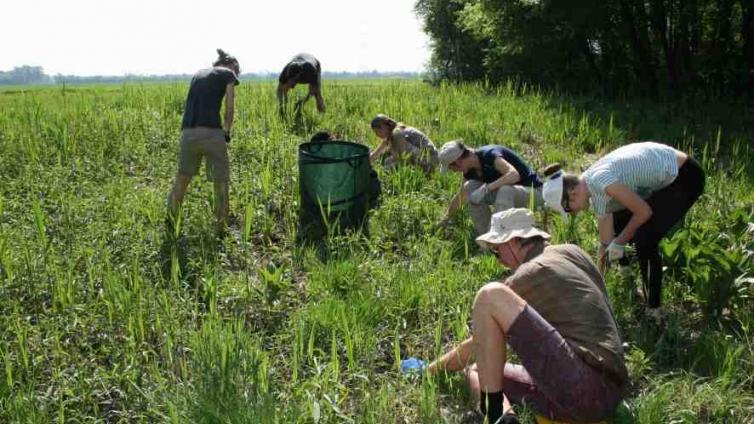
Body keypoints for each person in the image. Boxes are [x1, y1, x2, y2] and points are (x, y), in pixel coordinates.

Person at [403, 209, 629, 424]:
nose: (498, 259)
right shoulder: (571, 252)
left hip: (584, 392)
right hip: (613, 390)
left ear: (512, 242)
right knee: (477, 371)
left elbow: (478, 345)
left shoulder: (531, 273)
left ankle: (494, 416)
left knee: (490, 295)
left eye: (496, 250)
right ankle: (506, 418)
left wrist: (431, 369)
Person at [541, 142, 705, 321]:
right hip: (665, 178)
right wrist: (597, 284)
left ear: (572, 194)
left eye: (570, 210)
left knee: (645, 237)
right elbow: (605, 242)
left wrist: (620, 242)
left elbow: (644, 212)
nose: (575, 213)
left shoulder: (600, 180)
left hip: (685, 176)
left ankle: (654, 310)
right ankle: (626, 271)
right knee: (619, 223)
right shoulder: (592, 187)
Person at [167, 49, 240, 234]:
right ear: (231, 66)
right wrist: (227, 131)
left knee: (182, 180)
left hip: (188, 134)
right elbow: (229, 108)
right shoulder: (228, 74)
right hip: (212, 134)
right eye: (237, 70)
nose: (237, 75)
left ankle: (171, 224)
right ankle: (220, 230)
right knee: (220, 183)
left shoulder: (198, 74)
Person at [437, 141, 544, 235]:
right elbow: (461, 195)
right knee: (469, 188)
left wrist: (486, 189)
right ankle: (486, 237)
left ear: (458, 162)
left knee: (505, 190)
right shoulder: (469, 172)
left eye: (452, 168)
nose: (454, 171)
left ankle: (496, 235)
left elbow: (514, 175)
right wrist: (446, 218)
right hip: (509, 197)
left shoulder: (489, 154)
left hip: (534, 193)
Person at [368, 114, 439, 173]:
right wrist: (369, 160)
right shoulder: (392, 132)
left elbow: (402, 157)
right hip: (426, 156)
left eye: (378, 131)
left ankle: (424, 171)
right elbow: (379, 151)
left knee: (389, 165)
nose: (377, 135)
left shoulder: (397, 133)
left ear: (386, 126)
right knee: (388, 161)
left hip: (430, 159)